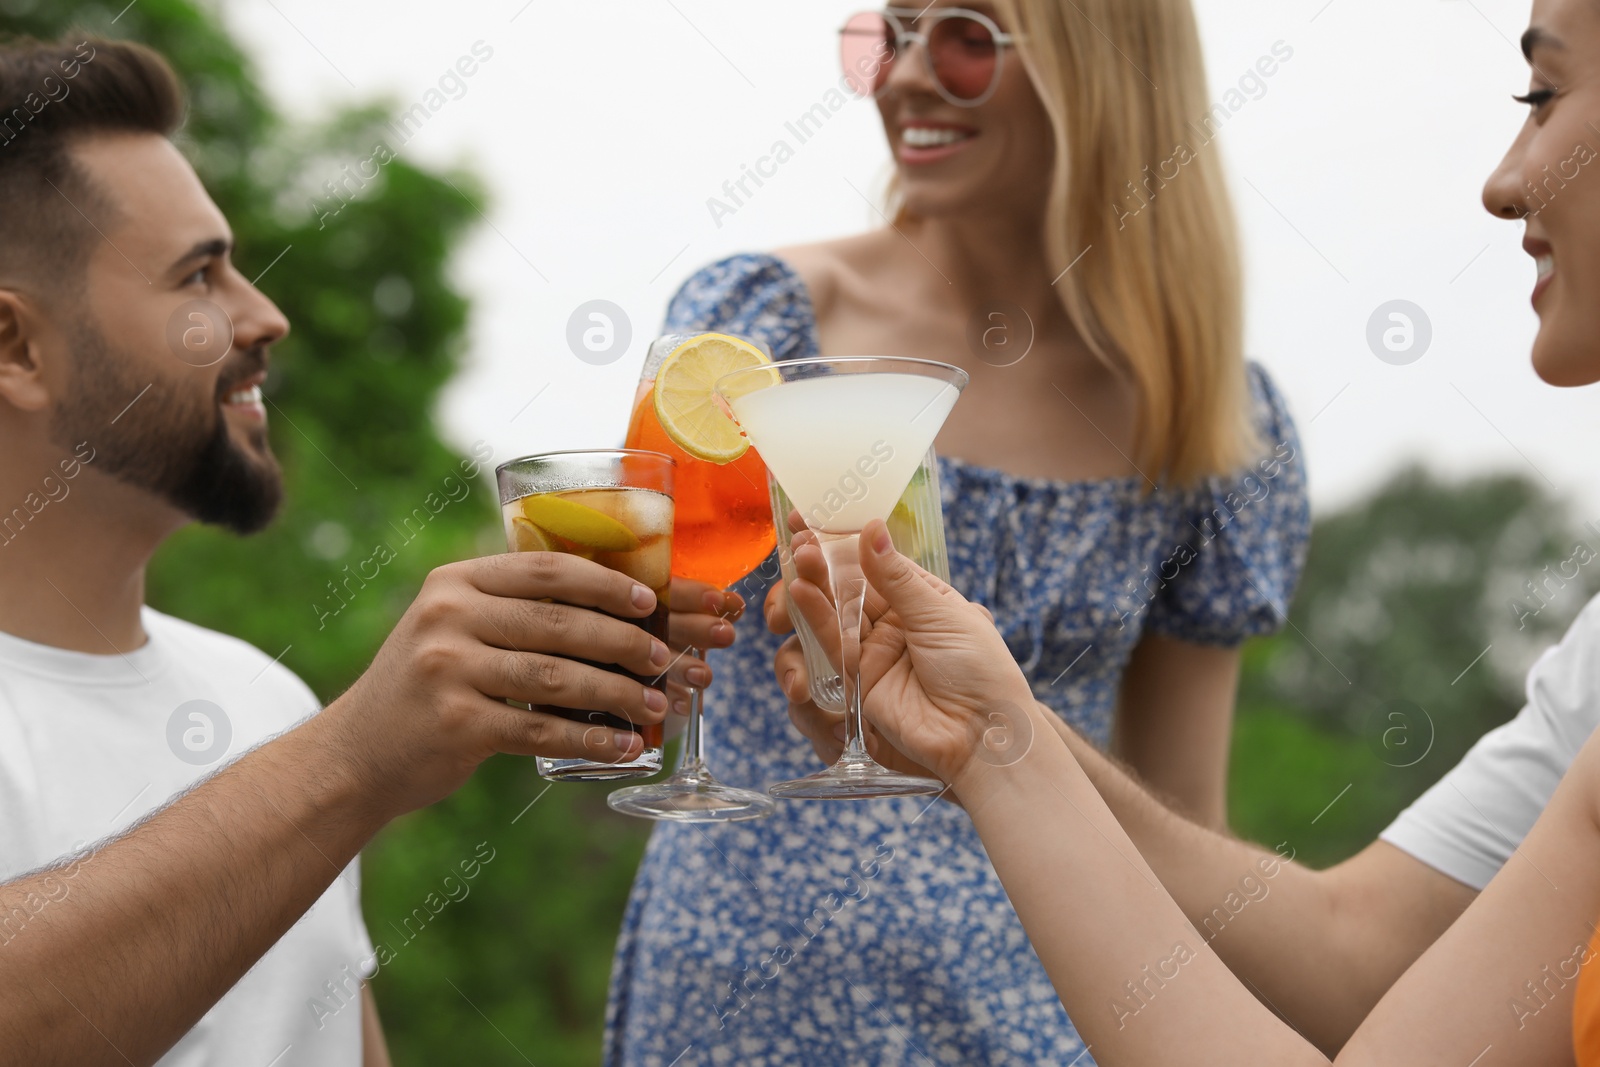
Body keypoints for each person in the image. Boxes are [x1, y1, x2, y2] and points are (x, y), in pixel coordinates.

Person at [782, 0, 1600, 1059]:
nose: (1498, 178)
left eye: (1543, 96)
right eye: (882, 34)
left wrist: (998, 741)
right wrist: (995, 737)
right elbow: (1364, 951)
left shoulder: (1217, 428)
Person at [606, 1, 1310, 1063]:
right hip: (734, 1002)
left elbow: (1185, 826)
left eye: (968, 37)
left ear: (1105, 69)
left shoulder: (1205, 414)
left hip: (1042, 1021)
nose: (904, 77)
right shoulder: (759, 323)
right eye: (887, 33)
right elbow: (648, 616)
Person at [0, 36, 721, 1066]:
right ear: (15, 346)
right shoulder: (319, 753)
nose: (266, 312)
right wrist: (355, 760)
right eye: (197, 277)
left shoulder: (262, 703)